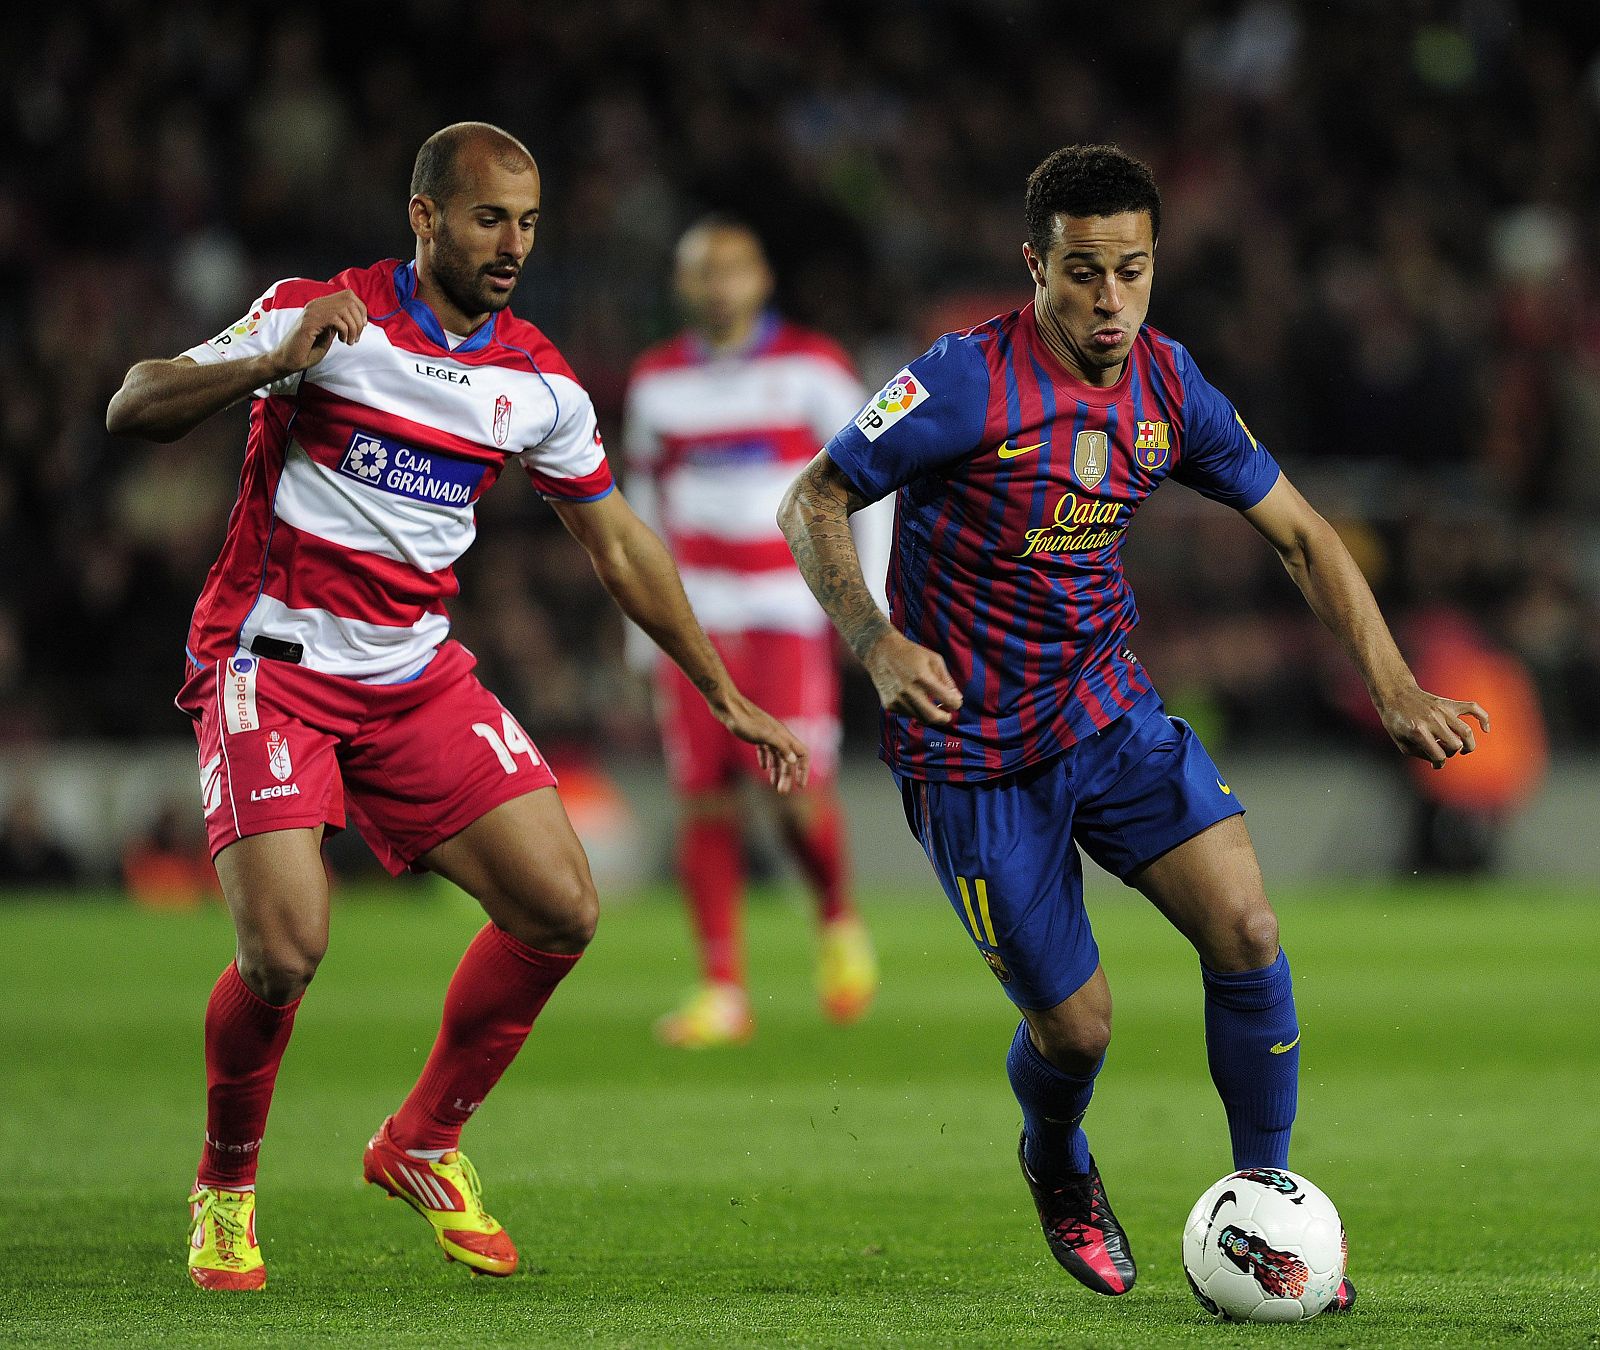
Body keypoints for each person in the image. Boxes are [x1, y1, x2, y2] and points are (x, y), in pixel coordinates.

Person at [778, 143, 1490, 1309]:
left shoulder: (1170, 386)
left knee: (1249, 930)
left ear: (1155, 263)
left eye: (1130, 270)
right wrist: (875, 642)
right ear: (1034, 265)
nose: (1107, 301)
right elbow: (810, 499)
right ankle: (1056, 1160)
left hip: (1108, 715)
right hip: (972, 756)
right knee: (1078, 1033)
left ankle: (1263, 1212)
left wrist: (1392, 682)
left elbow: (1305, 535)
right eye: (1080, 273)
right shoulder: (960, 382)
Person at [105, 122, 808, 1292]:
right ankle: (225, 1190)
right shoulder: (323, 312)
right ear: (424, 217)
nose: (513, 245)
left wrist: (720, 689)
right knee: (285, 953)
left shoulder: (535, 377)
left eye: (529, 223)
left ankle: (424, 1139)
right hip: (270, 663)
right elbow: (137, 402)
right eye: (490, 218)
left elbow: (620, 546)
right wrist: (271, 362)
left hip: (414, 673)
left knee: (561, 908)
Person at [622, 218, 889, 1047]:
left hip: (786, 607)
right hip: (697, 616)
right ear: (682, 285)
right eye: (701, 273)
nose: (717, 286)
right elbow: (637, 504)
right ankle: (722, 990)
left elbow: (870, 485)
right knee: (702, 794)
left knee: (794, 791)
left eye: (731, 270)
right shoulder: (655, 382)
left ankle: (838, 921)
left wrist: (866, 608)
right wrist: (641, 626)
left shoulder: (813, 369)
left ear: (761, 278)